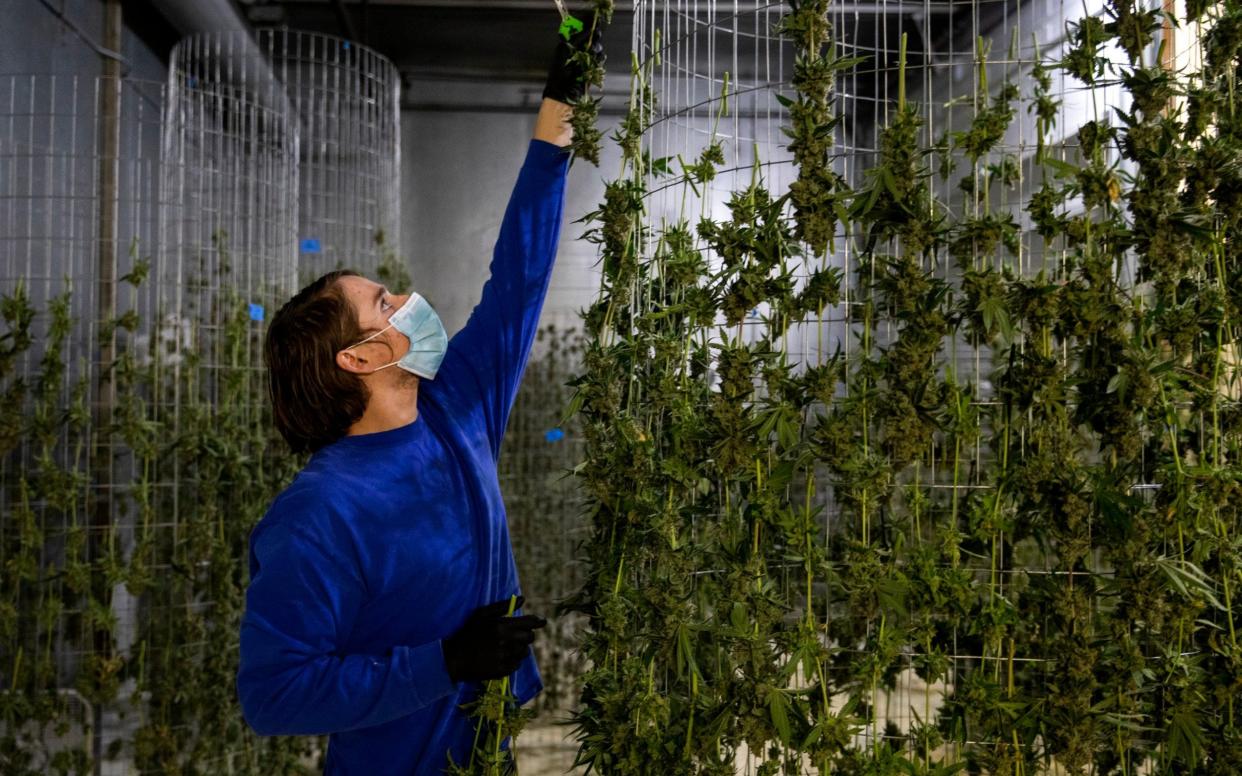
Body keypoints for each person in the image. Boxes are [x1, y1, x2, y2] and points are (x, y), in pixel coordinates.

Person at [236, 23, 603, 775]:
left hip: (488, 751)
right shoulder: (318, 515)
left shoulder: (457, 406)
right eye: (383, 301)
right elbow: (273, 694)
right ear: (363, 357)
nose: (408, 298)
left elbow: (520, 279)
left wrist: (562, 103)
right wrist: (442, 662)